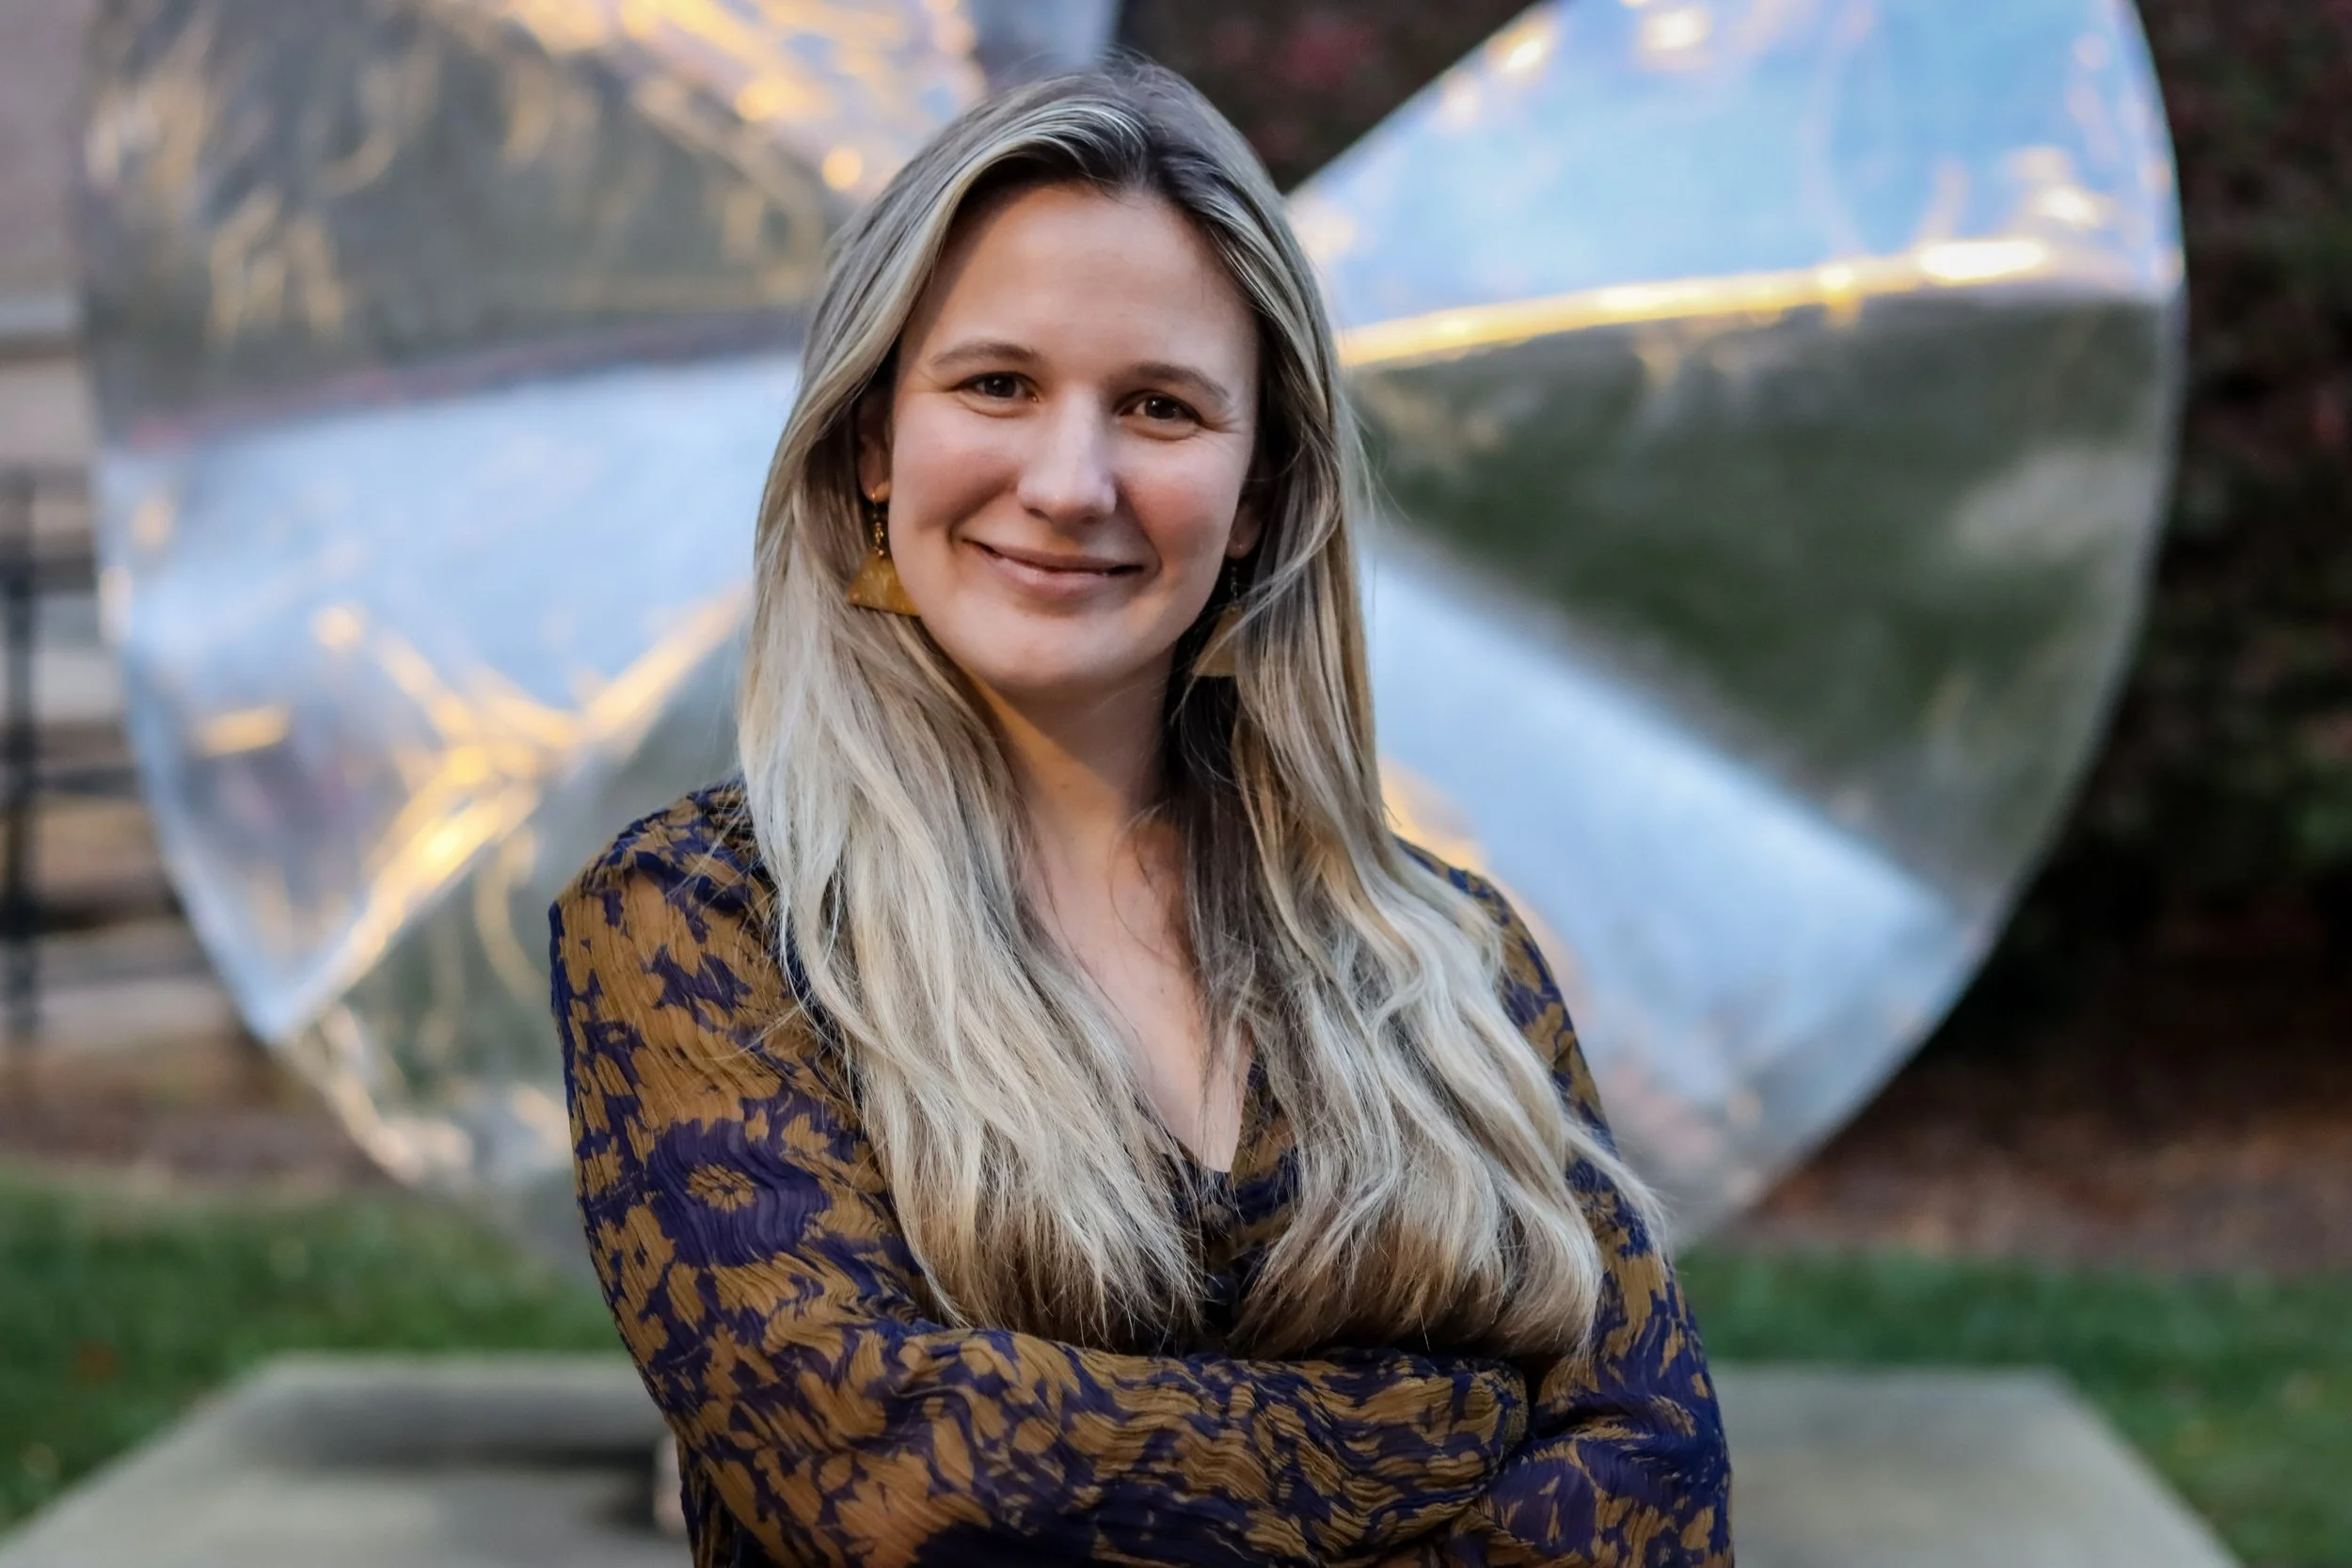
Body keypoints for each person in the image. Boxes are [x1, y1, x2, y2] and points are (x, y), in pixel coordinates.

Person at [549, 63, 1730, 1567]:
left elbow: (1663, 1485)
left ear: (1254, 495)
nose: (1071, 478)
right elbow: (895, 1480)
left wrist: (1115, 1450)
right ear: (871, 442)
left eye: (1161, 408)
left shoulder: (1451, 961)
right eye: (997, 386)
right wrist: (1447, 1422)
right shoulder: (704, 924)